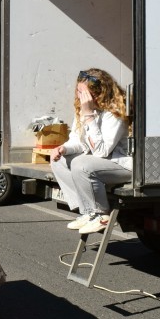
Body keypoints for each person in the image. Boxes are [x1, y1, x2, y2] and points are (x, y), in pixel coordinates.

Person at [49, 68, 132, 234]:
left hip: (122, 164)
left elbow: (101, 151)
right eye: (79, 91)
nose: (80, 97)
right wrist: (63, 148)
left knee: (81, 164)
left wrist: (88, 115)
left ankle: (101, 214)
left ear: (99, 94)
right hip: (102, 161)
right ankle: (87, 212)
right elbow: (79, 142)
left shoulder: (115, 110)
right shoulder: (84, 107)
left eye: (84, 93)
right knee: (58, 161)